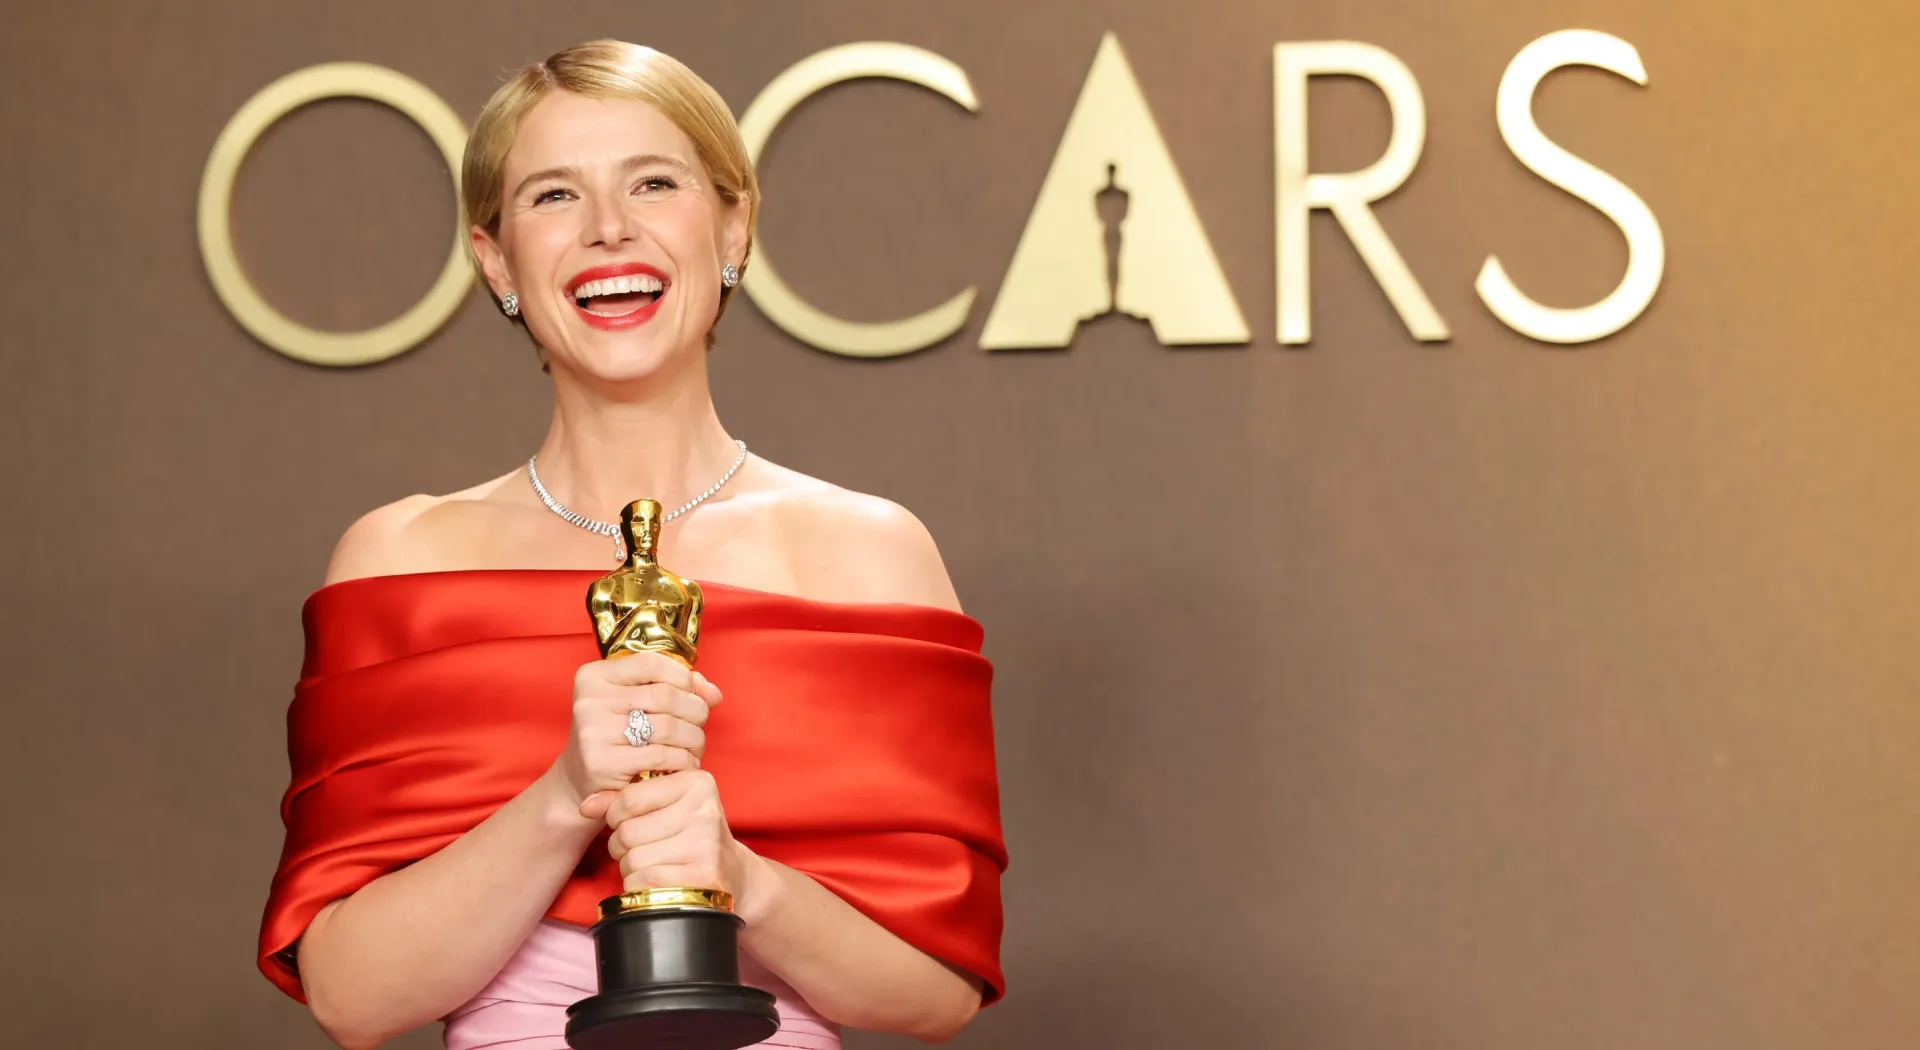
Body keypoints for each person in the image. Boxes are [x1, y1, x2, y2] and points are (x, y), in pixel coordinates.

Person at [256, 40, 1007, 1050]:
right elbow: (352, 999)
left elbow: (938, 996)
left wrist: (745, 883)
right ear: (494, 257)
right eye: (553, 196)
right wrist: (563, 798)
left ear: (733, 223)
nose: (609, 229)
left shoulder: (867, 556)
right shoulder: (403, 568)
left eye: (653, 182)